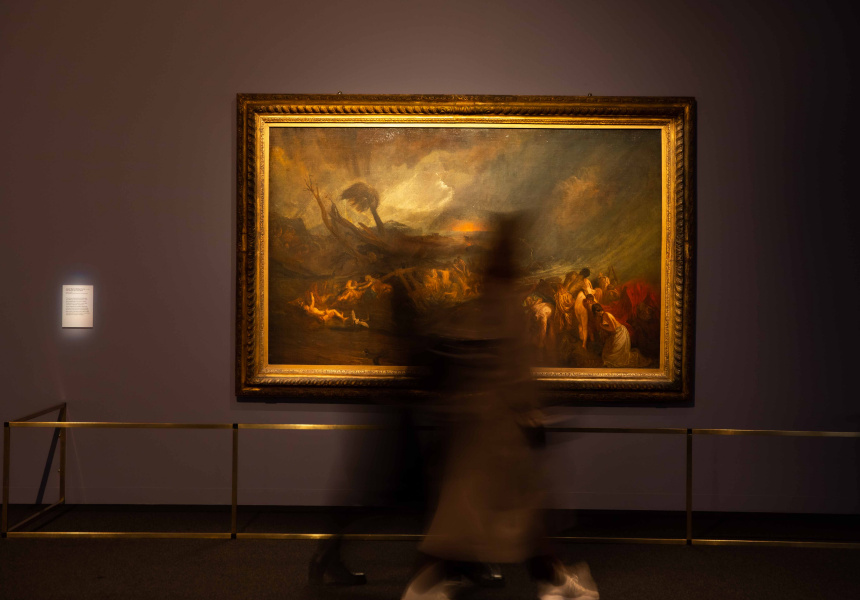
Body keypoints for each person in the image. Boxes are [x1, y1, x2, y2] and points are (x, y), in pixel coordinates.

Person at [401, 216, 599, 600]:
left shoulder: (483, 302)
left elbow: (473, 359)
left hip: (478, 428)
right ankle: (554, 582)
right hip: (498, 433)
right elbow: (515, 369)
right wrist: (532, 410)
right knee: (492, 515)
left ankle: (552, 580)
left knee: (475, 516)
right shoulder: (506, 303)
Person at [591, 303, 650, 368]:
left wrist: (602, 326)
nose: (597, 315)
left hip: (620, 333)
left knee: (613, 357)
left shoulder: (606, 315)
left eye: (596, 313)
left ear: (597, 311)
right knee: (606, 355)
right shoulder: (602, 316)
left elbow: (613, 329)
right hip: (615, 334)